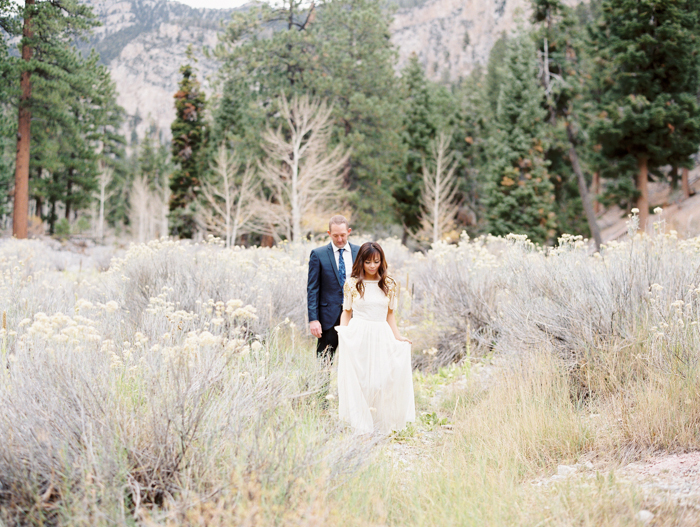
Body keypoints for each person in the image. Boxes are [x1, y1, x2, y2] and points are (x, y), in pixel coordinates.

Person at [336, 242, 415, 434]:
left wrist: (398, 337)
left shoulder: (390, 284)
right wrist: (344, 334)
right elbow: (346, 312)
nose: (372, 266)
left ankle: (379, 422)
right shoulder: (352, 284)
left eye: (376, 262)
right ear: (361, 262)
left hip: (381, 334)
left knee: (381, 380)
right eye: (368, 262)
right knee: (362, 380)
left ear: (382, 261)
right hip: (358, 334)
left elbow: (390, 315)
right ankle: (361, 424)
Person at [307, 215, 360, 363]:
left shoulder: (360, 252)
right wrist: (313, 319)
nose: (340, 239)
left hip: (356, 316)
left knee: (355, 361)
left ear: (349, 231)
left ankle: (350, 387)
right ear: (329, 233)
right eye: (335, 235)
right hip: (328, 319)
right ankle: (320, 387)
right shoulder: (318, 254)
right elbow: (312, 289)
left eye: (343, 235)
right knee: (324, 362)